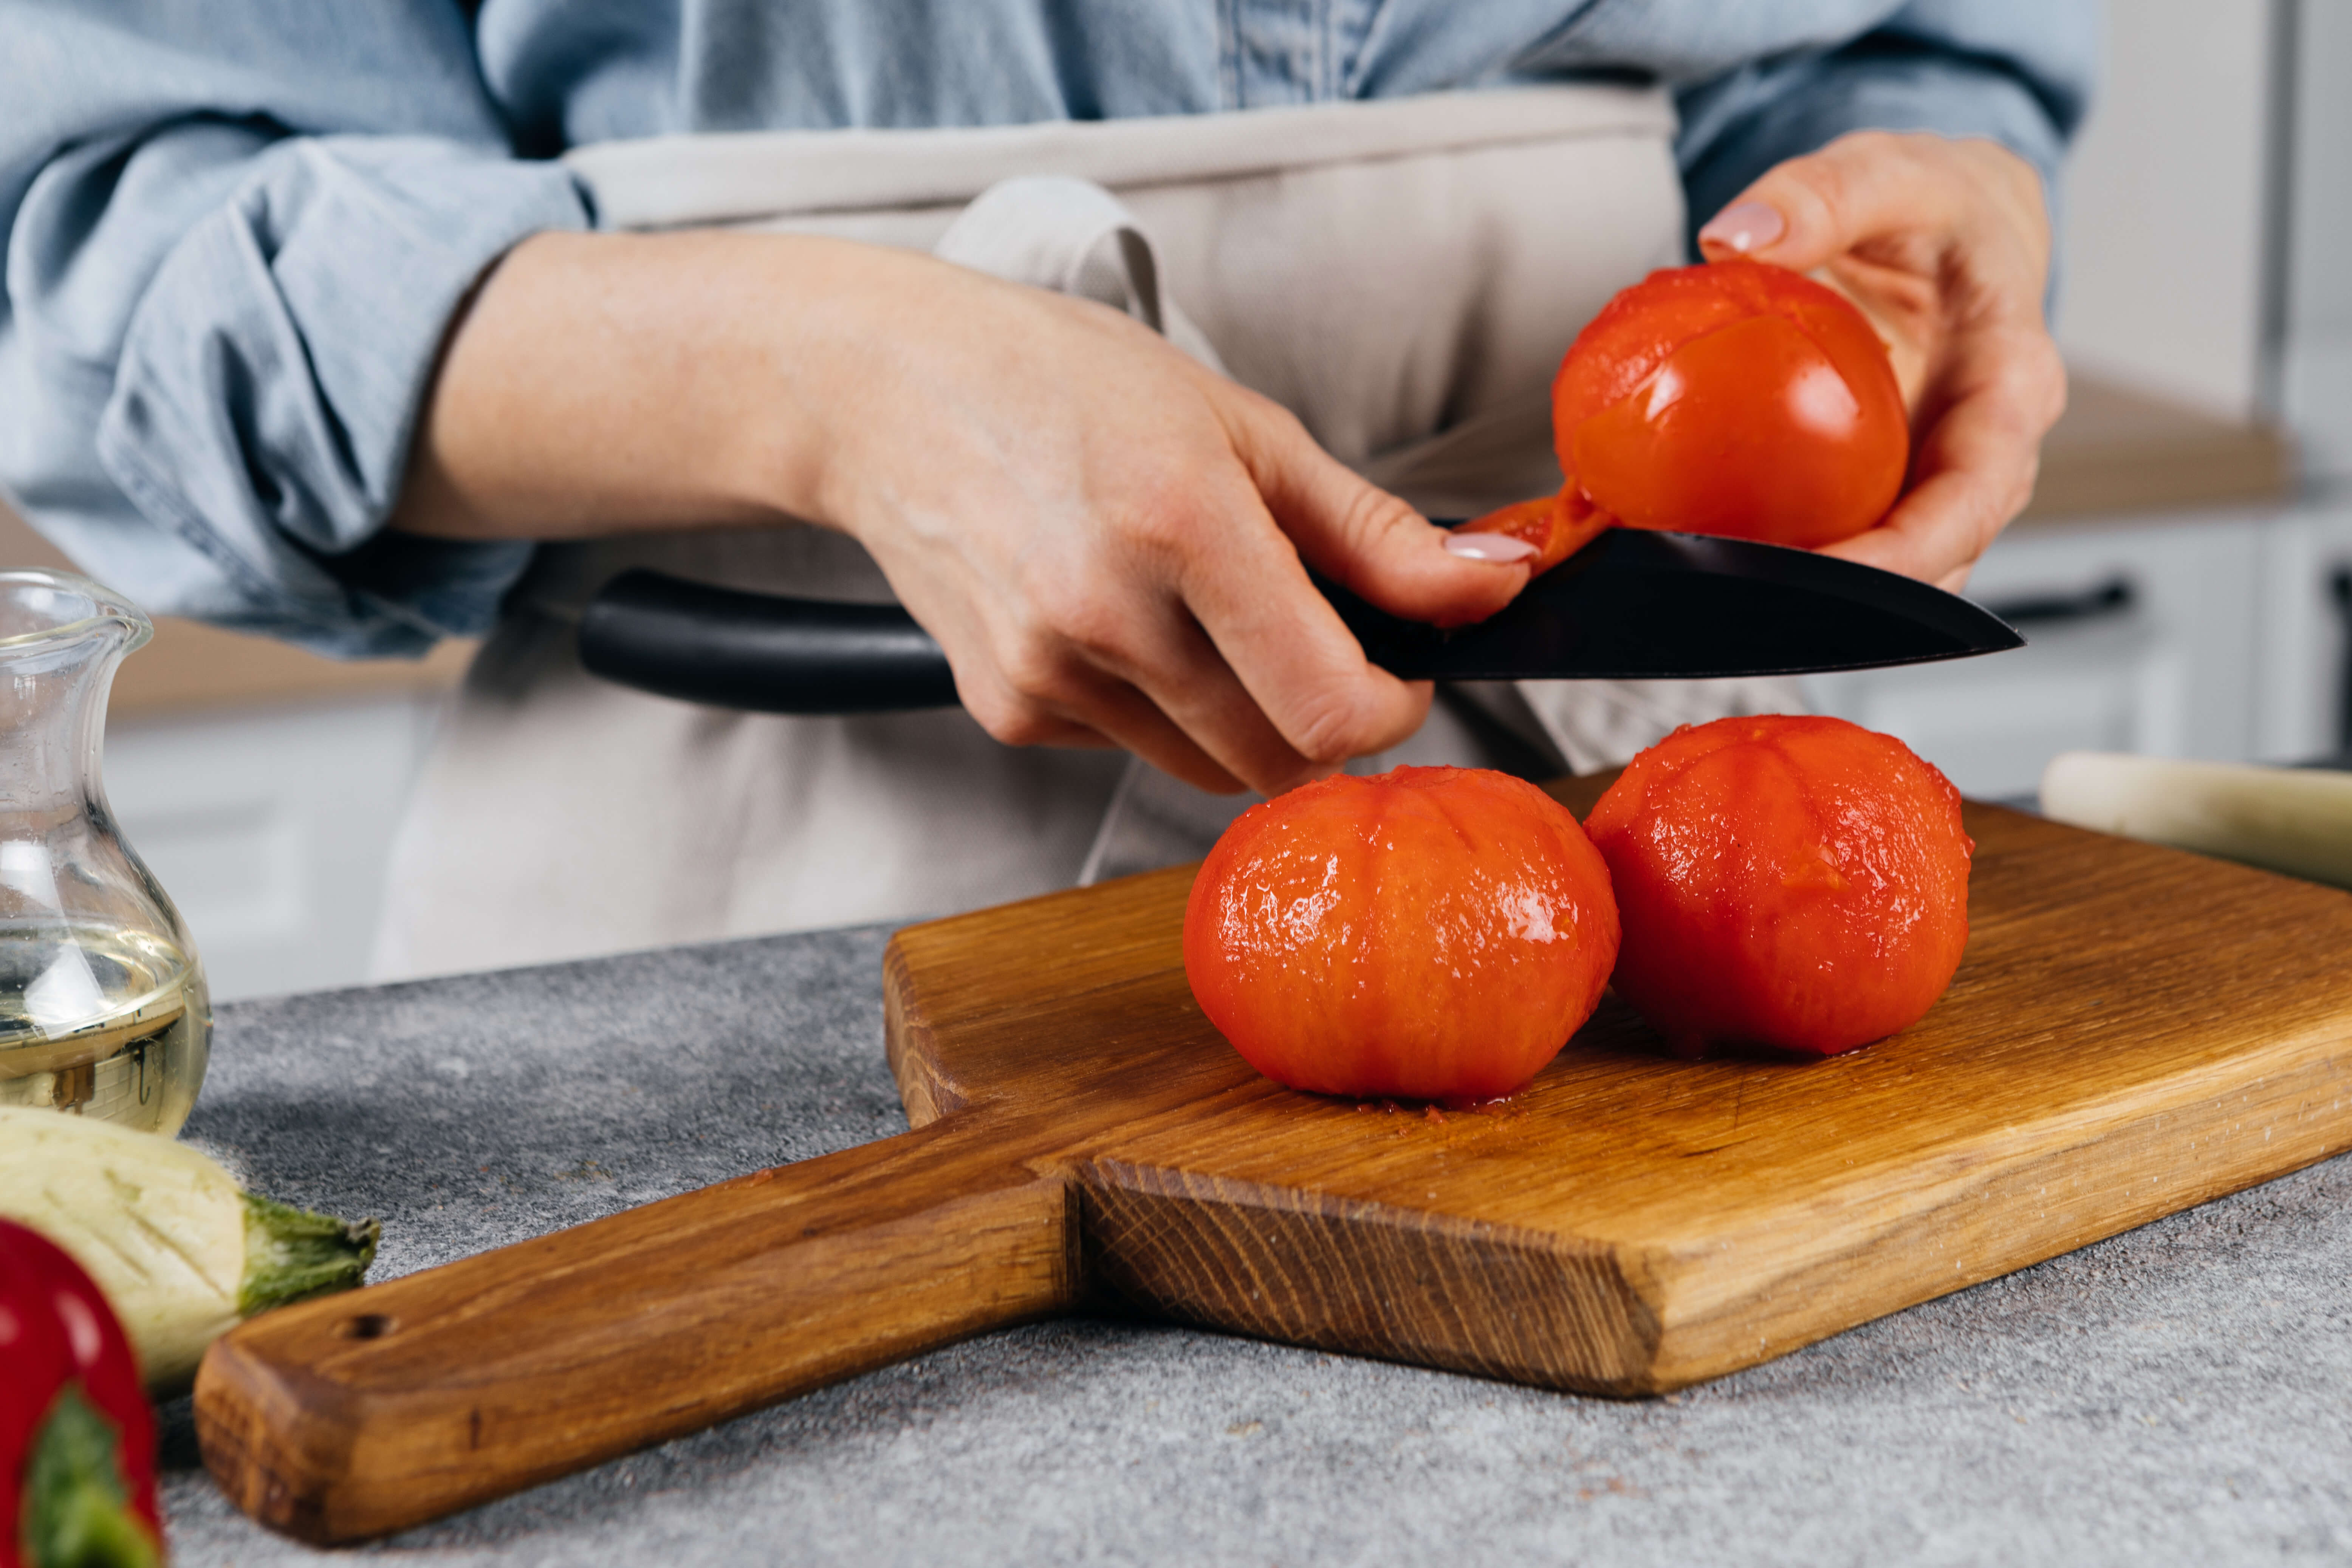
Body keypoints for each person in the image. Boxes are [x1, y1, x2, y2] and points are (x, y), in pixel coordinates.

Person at [0, 3, 2093, 976]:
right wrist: (828, 379)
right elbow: (113, 252)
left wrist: (1940, 175)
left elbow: (1901, 45)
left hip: (1663, 922)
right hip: (742, 932)